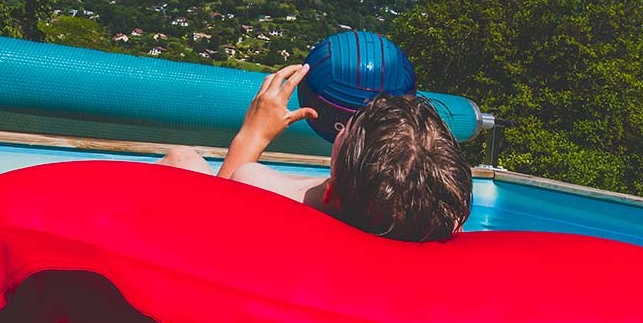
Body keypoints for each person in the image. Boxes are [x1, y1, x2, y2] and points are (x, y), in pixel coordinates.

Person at [157, 63, 471, 241]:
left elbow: (213, 222)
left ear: (330, 191)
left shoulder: (258, 184)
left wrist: (251, 136)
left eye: (347, 126)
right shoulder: (441, 218)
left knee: (183, 159)